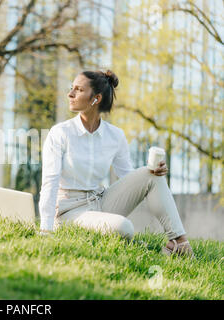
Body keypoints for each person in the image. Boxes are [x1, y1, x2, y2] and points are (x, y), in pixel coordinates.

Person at [38, 70, 194, 257]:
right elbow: (50, 182)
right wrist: (45, 230)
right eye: (71, 88)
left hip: (100, 201)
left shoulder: (115, 135)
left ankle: (178, 242)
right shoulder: (60, 133)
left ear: (96, 98)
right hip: (69, 212)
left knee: (151, 173)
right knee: (123, 227)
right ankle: (141, 244)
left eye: (78, 90)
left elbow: (127, 175)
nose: (70, 94)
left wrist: (152, 172)